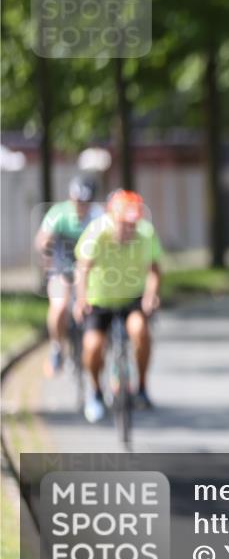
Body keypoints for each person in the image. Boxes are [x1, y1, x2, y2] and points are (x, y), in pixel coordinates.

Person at [73, 190, 162, 422]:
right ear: (112, 218)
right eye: (124, 224)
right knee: (92, 346)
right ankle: (95, 392)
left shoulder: (146, 233)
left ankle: (141, 387)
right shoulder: (96, 232)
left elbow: (154, 269)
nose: (129, 229)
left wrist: (151, 295)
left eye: (133, 224)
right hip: (99, 300)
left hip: (131, 297)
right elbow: (83, 268)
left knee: (140, 331)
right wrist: (81, 299)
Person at [34, 175, 103, 377]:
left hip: (88, 269)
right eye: (76, 201)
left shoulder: (98, 216)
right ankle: (57, 347)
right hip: (61, 268)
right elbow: (42, 240)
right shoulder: (59, 213)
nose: (80, 206)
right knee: (60, 306)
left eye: (84, 202)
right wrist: (47, 252)